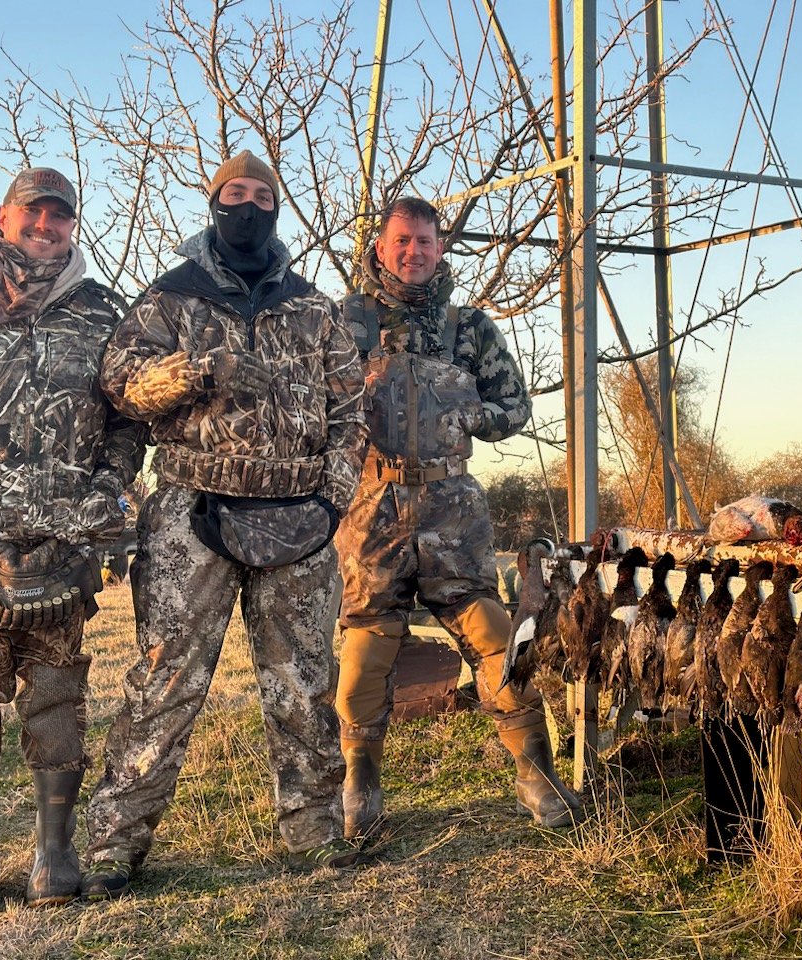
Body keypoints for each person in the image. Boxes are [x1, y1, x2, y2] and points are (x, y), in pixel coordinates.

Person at [82, 151, 368, 899]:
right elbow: (120, 387)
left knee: (305, 680)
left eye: (261, 196)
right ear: (213, 205)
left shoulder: (314, 308)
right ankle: (116, 844)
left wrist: (333, 500)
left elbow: (350, 413)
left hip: (299, 515)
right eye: (233, 195)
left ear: (278, 208)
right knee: (164, 680)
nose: (247, 207)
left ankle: (312, 831)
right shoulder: (169, 297)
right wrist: (197, 369)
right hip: (191, 507)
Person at [0, 168, 144, 924]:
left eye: (60, 216)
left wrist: (106, 494)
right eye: (33, 213)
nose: (47, 225)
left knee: (56, 698)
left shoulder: (99, 312)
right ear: (5, 215)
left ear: (72, 225)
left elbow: (126, 419)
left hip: (61, 543)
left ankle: (55, 851)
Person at [334, 196, 581, 842]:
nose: (413, 251)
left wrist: (467, 416)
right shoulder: (345, 322)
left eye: (424, 241)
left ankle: (535, 769)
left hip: (454, 505)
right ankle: (360, 781)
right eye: (401, 241)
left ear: (440, 249)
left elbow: (515, 407)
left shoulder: (470, 328)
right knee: (366, 644)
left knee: (495, 632)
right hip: (371, 506)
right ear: (380, 247)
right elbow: (312, 405)